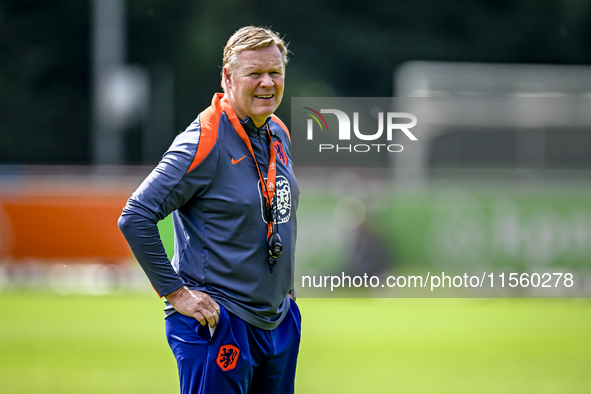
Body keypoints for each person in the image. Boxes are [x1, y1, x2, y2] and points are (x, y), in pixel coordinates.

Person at [118, 26, 300, 394]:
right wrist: (176, 293)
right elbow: (136, 216)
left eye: (275, 72)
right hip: (219, 322)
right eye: (254, 73)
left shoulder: (277, 131)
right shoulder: (204, 140)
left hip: (277, 321)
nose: (267, 83)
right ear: (228, 78)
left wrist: (285, 290)